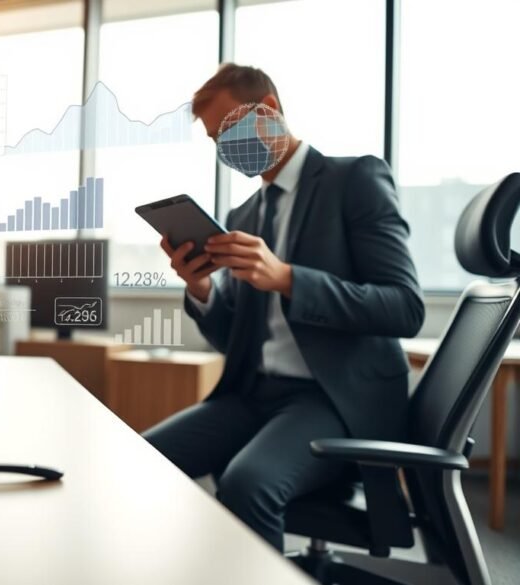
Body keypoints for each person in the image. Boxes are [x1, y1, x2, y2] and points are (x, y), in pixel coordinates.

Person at [143, 63, 424, 550]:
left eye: (229, 130)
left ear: (269, 110)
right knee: (140, 459)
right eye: (214, 139)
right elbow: (237, 339)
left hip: (332, 399)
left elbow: (404, 308)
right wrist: (202, 292)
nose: (223, 147)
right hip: (254, 395)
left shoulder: (354, 179)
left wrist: (288, 278)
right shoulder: (243, 215)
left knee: (246, 483)